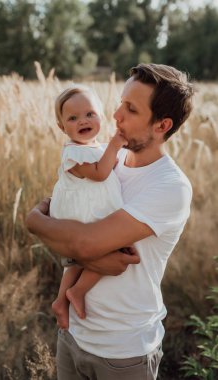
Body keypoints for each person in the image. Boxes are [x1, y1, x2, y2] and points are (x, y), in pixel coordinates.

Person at [26, 63, 194, 380]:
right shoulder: (104, 156)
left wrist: (35, 222)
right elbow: (66, 213)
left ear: (162, 125)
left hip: (122, 352)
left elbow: (79, 240)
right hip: (72, 334)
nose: (116, 115)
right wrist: (45, 224)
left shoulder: (170, 186)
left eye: (130, 109)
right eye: (119, 102)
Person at [50, 84, 128, 330]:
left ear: (101, 116)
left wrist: (112, 151)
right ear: (62, 127)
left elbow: (107, 165)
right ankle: (77, 292)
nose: (82, 121)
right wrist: (115, 145)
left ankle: (62, 301)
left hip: (92, 210)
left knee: (77, 263)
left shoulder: (94, 148)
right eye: (72, 118)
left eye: (89, 114)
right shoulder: (73, 153)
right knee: (111, 250)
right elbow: (100, 173)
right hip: (83, 215)